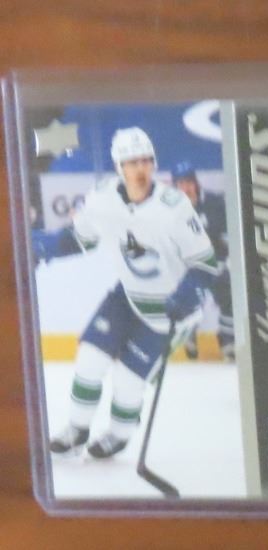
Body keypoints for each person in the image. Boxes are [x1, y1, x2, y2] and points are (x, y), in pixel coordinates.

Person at [32, 127, 218, 459]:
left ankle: (119, 434)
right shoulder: (102, 199)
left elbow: (205, 263)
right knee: (89, 358)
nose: (141, 168)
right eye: (132, 162)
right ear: (120, 166)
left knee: (128, 380)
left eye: (146, 160)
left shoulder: (175, 206)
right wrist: (42, 247)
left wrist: (188, 293)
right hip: (128, 296)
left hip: (169, 311)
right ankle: (76, 428)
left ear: (154, 163)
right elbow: (78, 239)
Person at [171, 163, 235, 362]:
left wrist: (229, 262)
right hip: (191, 267)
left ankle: (228, 340)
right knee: (185, 294)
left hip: (219, 264)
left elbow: (231, 235)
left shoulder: (215, 203)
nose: (186, 188)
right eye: (181, 183)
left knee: (229, 292)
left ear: (196, 183)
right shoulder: (170, 211)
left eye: (189, 182)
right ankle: (188, 336)